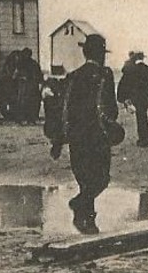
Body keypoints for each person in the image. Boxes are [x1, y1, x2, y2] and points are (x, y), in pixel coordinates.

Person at [50, 33, 120, 234]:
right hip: (98, 136)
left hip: (76, 137)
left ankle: (88, 223)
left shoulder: (72, 77)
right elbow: (111, 109)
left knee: (84, 180)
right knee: (101, 179)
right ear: (101, 55)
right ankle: (82, 210)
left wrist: (58, 140)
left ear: (84, 52)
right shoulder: (105, 75)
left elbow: (63, 110)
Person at [117, 50, 148, 147]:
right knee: (142, 116)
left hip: (135, 98)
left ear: (135, 58)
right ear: (143, 58)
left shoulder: (131, 70)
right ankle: (145, 139)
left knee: (141, 117)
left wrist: (123, 98)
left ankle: (144, 139)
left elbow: (125, 84)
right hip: (146, 98)